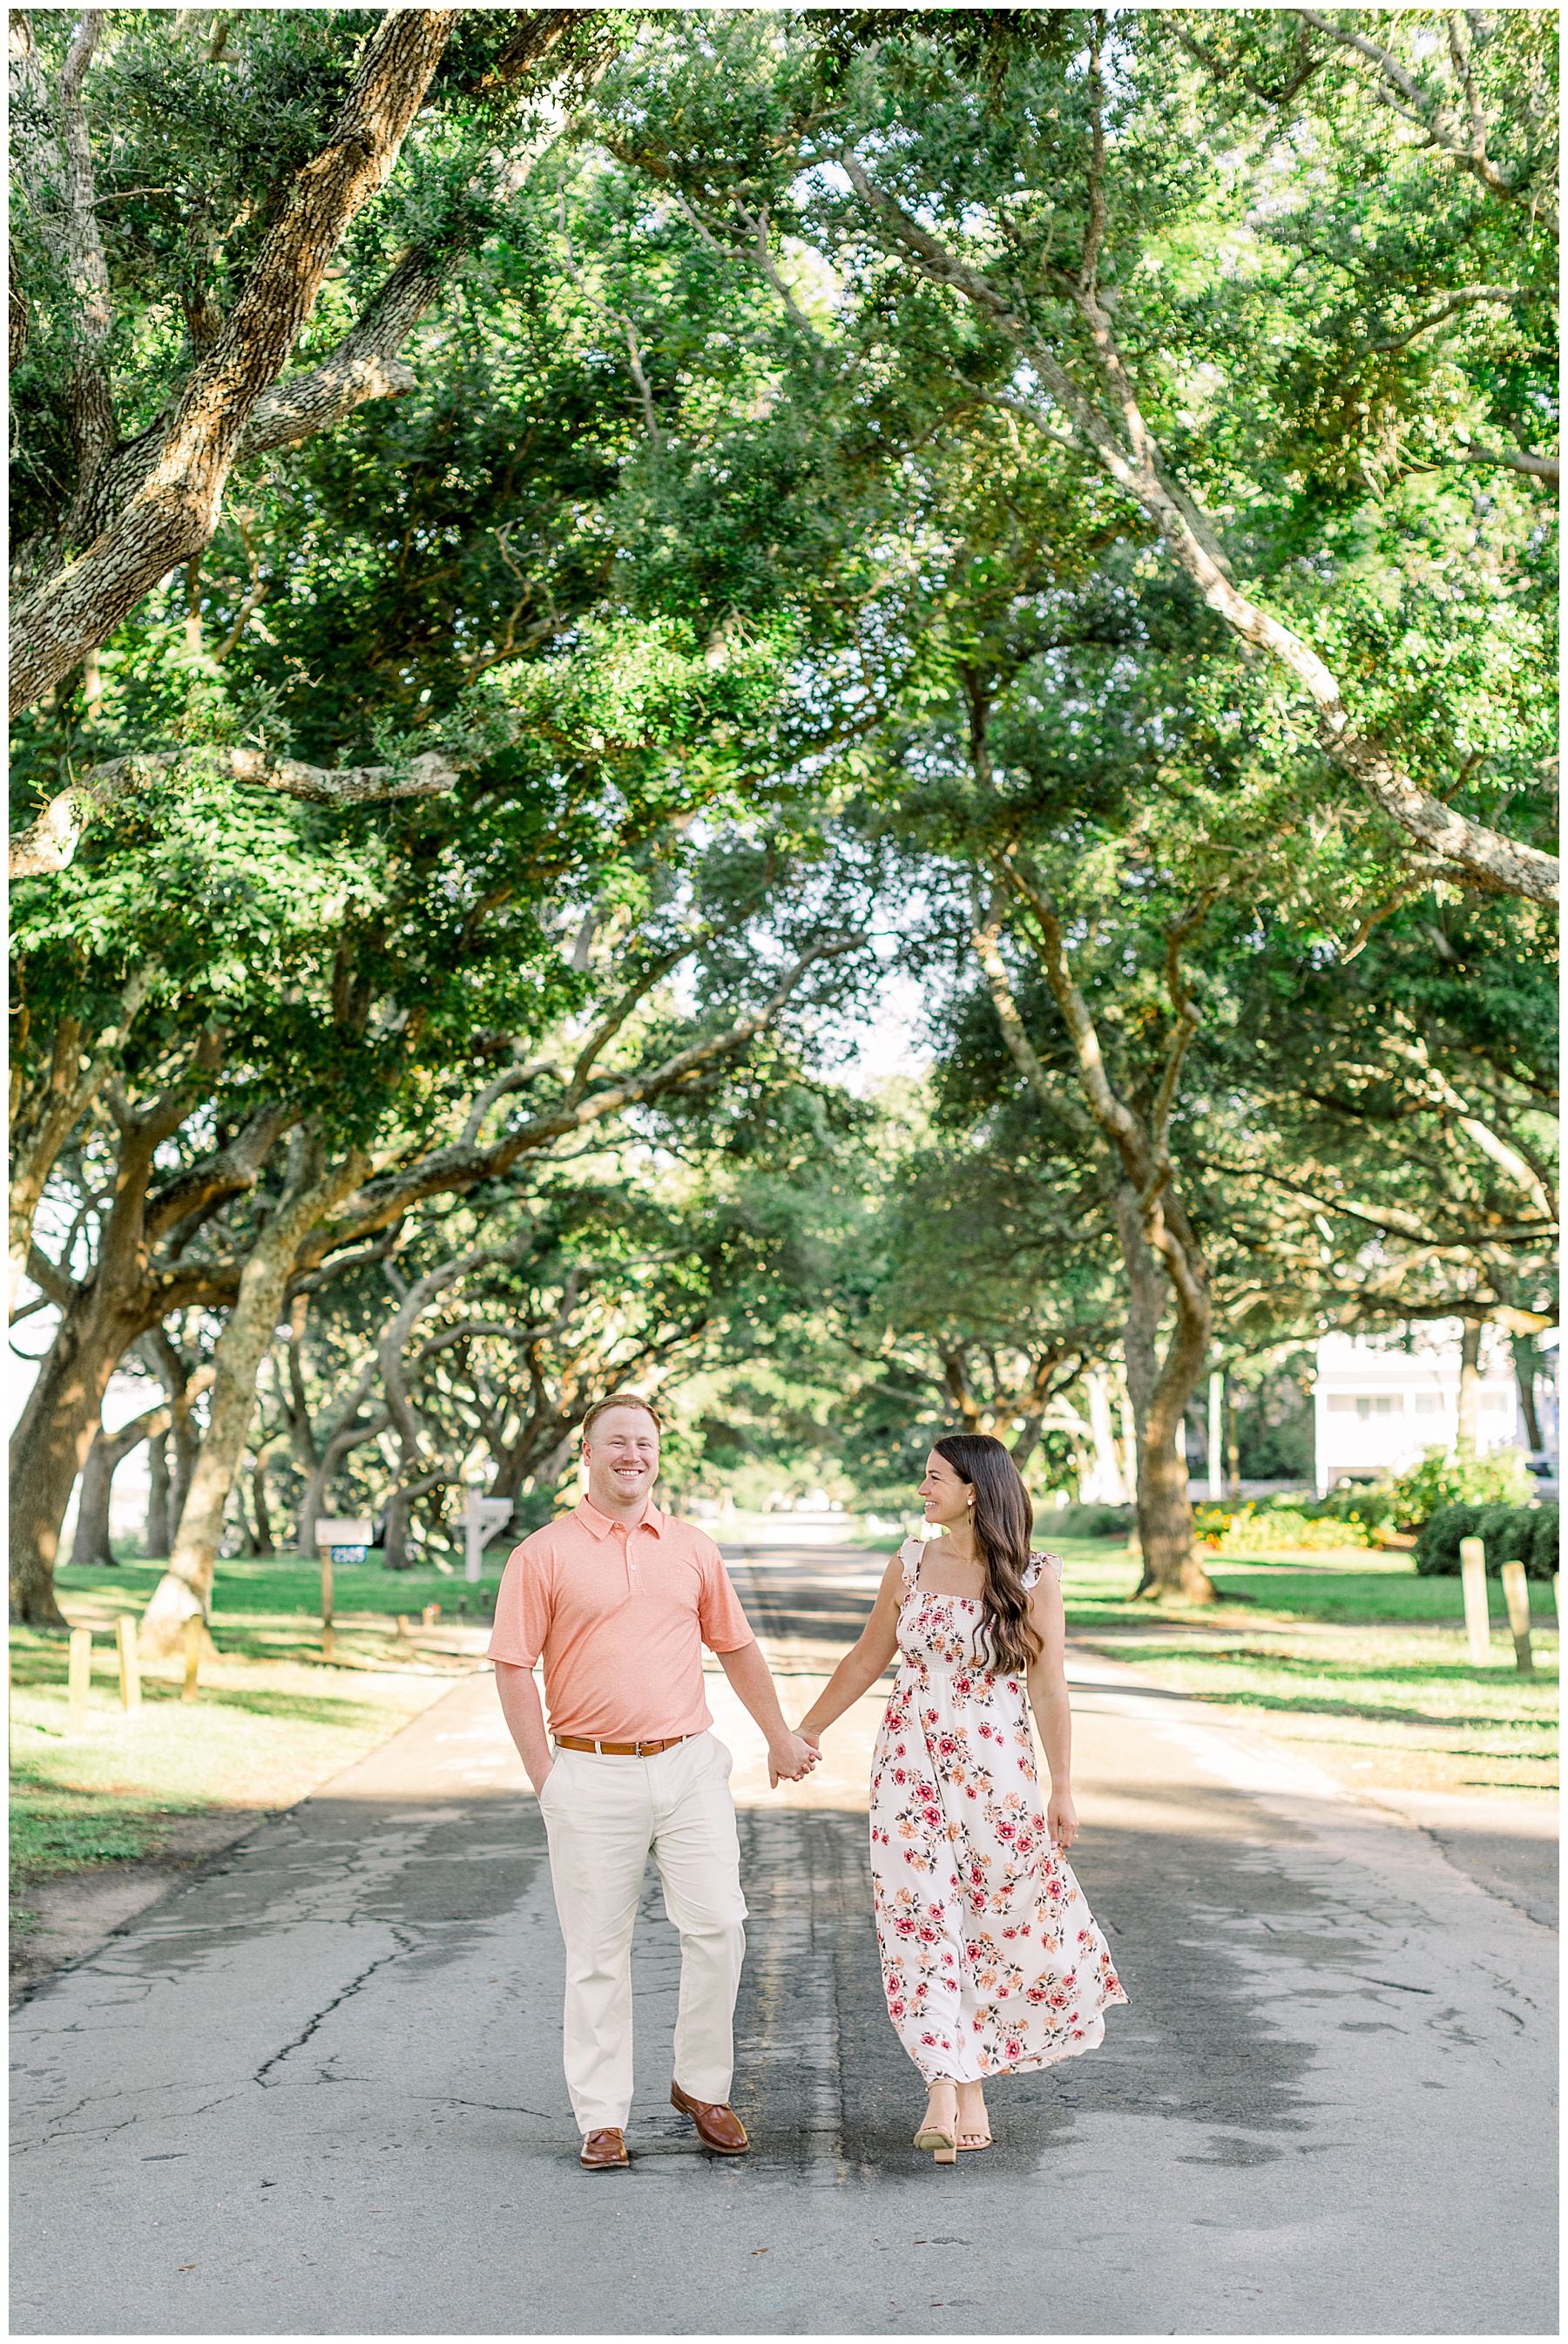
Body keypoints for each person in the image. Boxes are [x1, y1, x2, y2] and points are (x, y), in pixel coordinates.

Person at [490, 1392, 817, 2172]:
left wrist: (778, 1735)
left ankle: (702, 2088)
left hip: (688, 1765)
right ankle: (601, 2117)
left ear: (658, 1455)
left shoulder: (693, 1548)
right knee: (597, 1952)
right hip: (588, 1771)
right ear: (587, 1453)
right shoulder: (542, 1553)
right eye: (617, 1443)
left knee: (720, 1928)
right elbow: (511, 1667)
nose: (632, 1455)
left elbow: (736, 1648)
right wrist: (548, 1778)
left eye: (645, 1444)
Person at [797, 1431, 1126, 2161]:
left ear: (975, 1488)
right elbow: (866, 1657)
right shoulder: (910, 1564)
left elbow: (1048, 1686)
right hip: (909, 1769)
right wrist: (806, 1732)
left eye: (935, 1477)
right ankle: (943, 2081)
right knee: (918, 1914)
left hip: (997, 1776)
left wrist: (1063, 1788)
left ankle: (969, 2077)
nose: (923, 1490)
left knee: (996, 1920)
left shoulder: (1034, 1576)